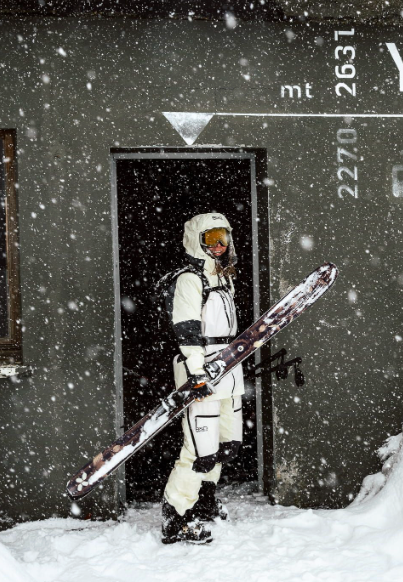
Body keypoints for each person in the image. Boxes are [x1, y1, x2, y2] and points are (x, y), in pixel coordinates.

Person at [160, 212, 245, 544]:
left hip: (228, 370)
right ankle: (177, 514)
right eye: (211, 239)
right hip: (202, 369)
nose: (220, 245)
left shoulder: (224, 277)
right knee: (199, 448)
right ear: (197, 241)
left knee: (226, 445)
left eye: (223, 237)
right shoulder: (190, 279)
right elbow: (187, 329)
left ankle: (204, 500)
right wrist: (196, 373)